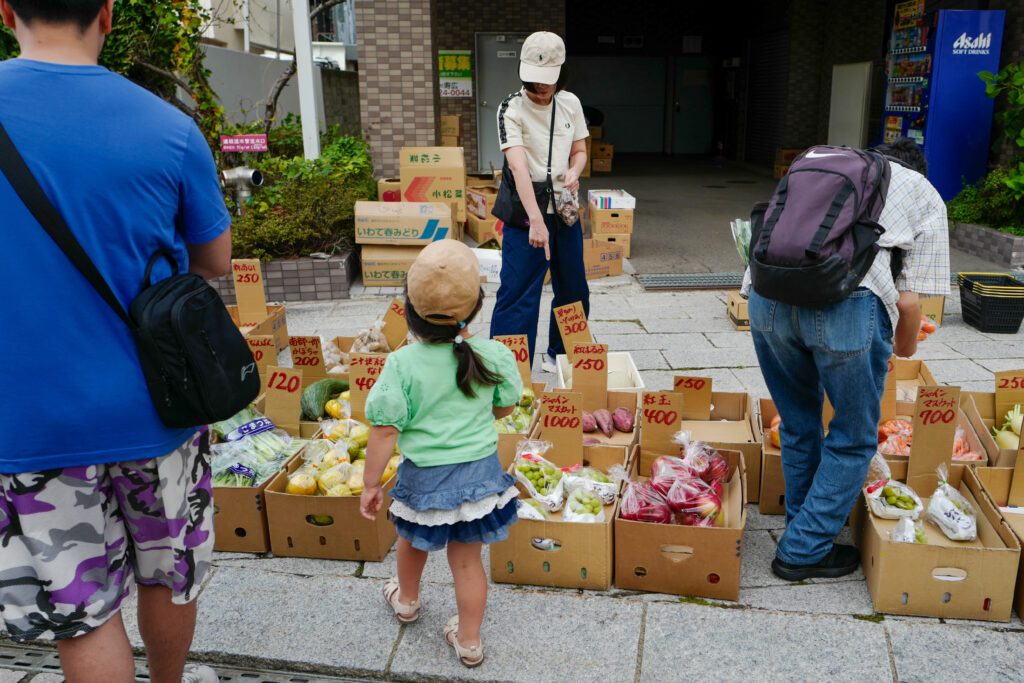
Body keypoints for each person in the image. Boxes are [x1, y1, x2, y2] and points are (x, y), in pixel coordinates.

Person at [0, 2, 231, 682]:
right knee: (169, 574)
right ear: (106, 13)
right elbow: (214, 260)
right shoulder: (169, 127)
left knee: (87, 613)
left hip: (29, 421)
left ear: (7, 9)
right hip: (157, 409)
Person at [747, 137, 949, 581]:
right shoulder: (922, 191)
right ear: (918, 168)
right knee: (855, 437)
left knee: (799, 423)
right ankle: (801, 551)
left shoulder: (820, 172)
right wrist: (904, 349)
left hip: (767, 301)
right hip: (847, 305)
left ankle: (806, 525)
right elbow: (911, 303)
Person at [359, 240, 522, 669]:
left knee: (411, 540)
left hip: (423, 476)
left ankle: (407, 601)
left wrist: (371, 484)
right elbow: (504, 406)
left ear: (409, 309)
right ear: (475, 309)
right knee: (467, 563)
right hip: (479, 473)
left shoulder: (401, 364)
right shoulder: (491, 355)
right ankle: (469, 642)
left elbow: (384, 430)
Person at [489, 30, 590, 371]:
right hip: (525, 212)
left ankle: (560, 355)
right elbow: (517, 166)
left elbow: (579, 151)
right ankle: (508, 366)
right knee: (518, 292)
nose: (542, 88)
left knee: (574, 287)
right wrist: (535, 220)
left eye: (548, 80)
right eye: (535, 81)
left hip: (564, 209)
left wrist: (575, 171)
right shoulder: (510, 108)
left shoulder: (571, 103)